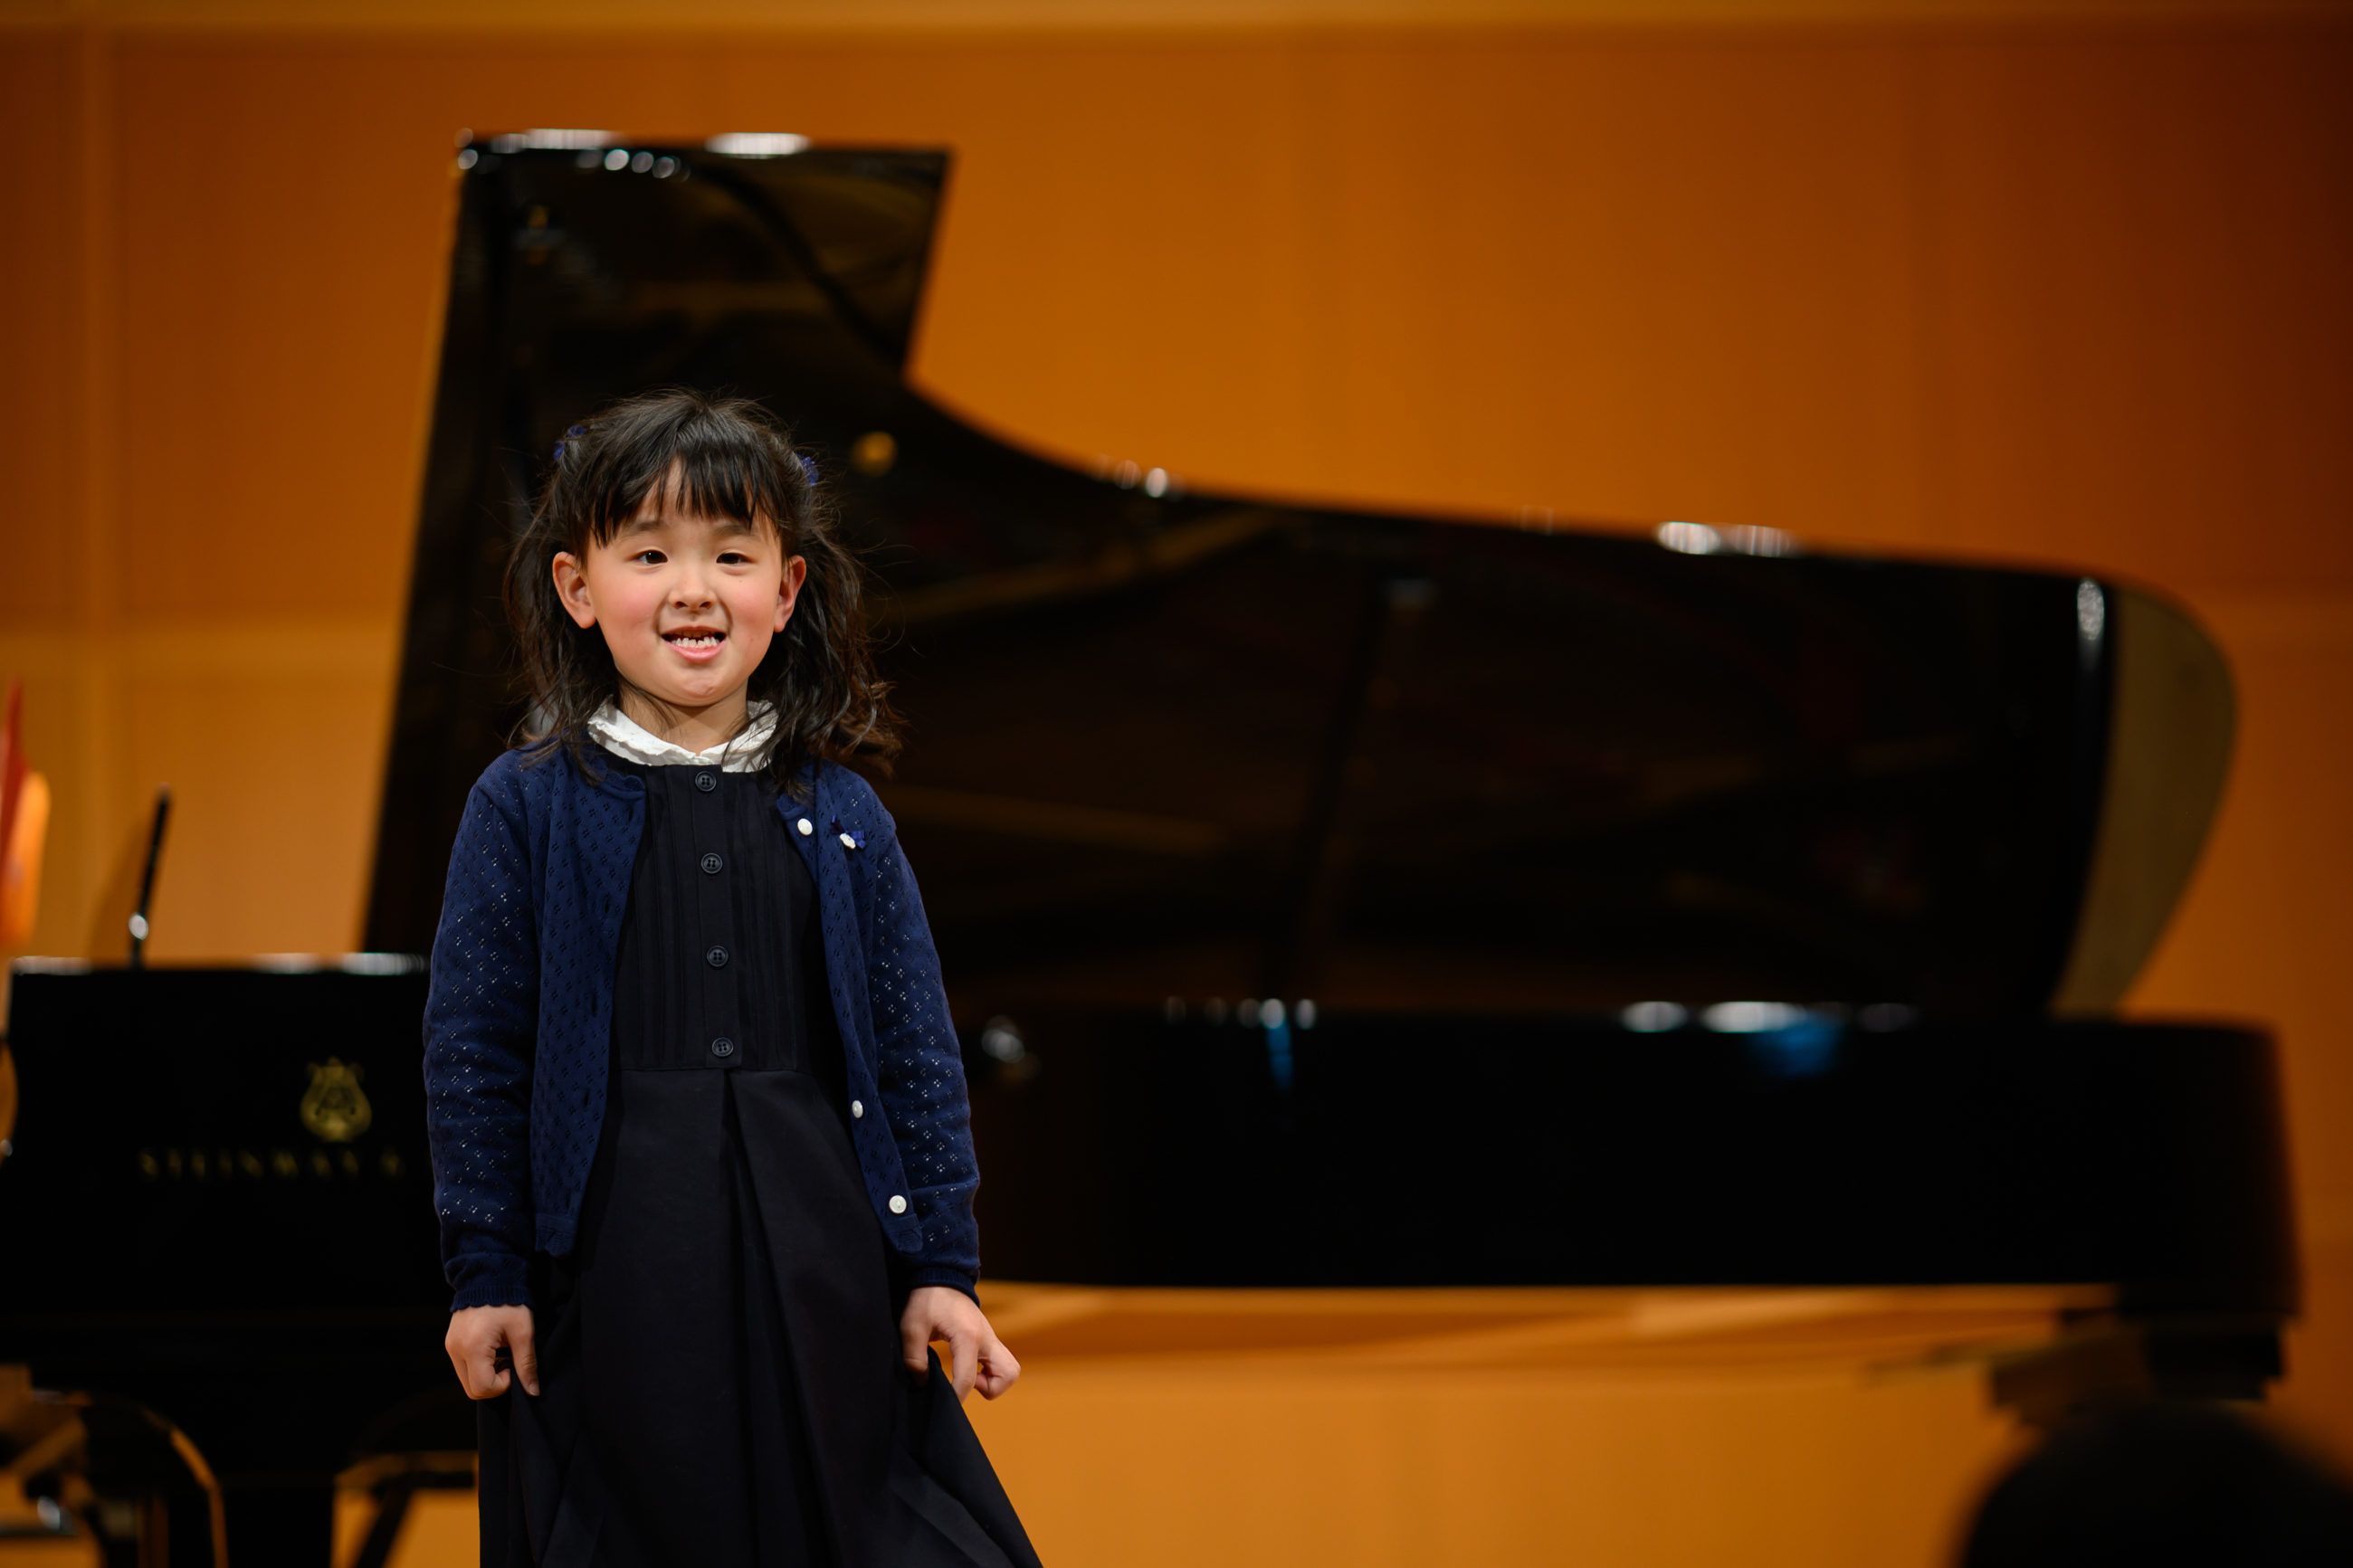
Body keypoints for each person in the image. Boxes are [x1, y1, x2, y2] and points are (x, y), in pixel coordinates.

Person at [423, 389, 1040, 1568]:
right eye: (649, 552)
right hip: (611, 1273)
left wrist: (939, 1268)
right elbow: (472, 1054)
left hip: (828, 1269)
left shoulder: (842, 813)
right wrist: (486, 1270)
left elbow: (915, 1054)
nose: (694, 588)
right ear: (577, 587)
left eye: (733, 554)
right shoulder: (524, 805)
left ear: (788, 589)